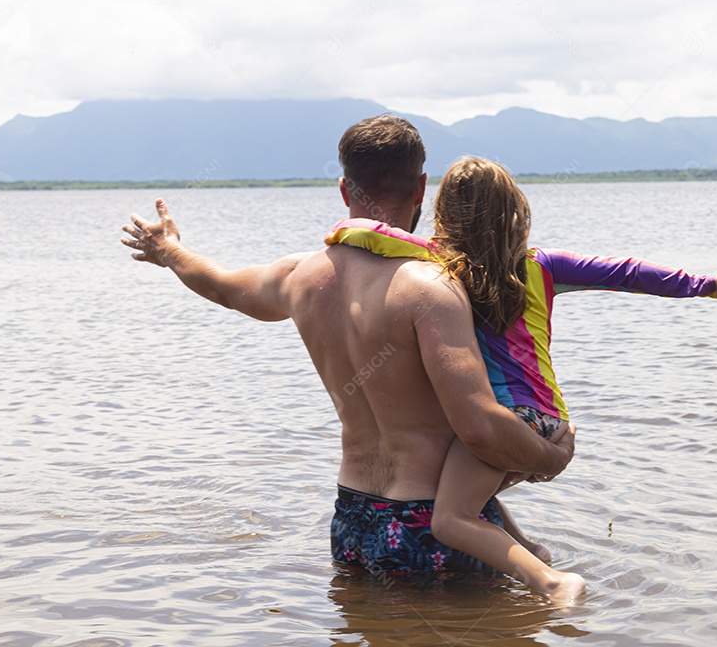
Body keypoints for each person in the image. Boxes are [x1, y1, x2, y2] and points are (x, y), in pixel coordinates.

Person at [120, 116, 576, 581]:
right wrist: (550, 457)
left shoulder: (299, 277)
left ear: (344, 189)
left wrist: (170, 250)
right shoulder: (431, 288)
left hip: (352, 518)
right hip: (430, 525)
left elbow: (223, 286)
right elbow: (479, 428)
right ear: (422, 188)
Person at [324, 156, 717, 601]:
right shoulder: (544, 266)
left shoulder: (440, 263)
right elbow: (624, 272)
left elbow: (379, 235)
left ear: (445, 213)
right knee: (454, 488)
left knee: (450, 519)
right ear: (514, 210)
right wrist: (703, 284)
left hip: (508, 425)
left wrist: (342, 230)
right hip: (550, 420)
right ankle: (532, 550)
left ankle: (553, 585)